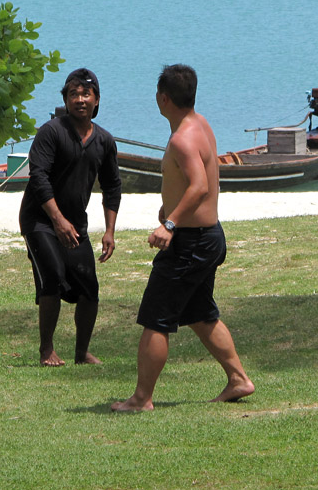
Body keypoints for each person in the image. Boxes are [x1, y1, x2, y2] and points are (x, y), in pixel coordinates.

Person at [111, 64, 254, 412]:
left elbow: (200, 186)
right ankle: (238, 380)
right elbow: (196, 179)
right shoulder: (199, 124)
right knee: (201, 313)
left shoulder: (182, 138)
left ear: (163, 98)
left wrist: (170, 223)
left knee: (155, 318)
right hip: (207, 237)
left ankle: (142, 399)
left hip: (191, 242)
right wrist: (171, 209)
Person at [18, 68, 121, 367]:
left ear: (97, 100)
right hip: (39, 220)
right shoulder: (51, 131)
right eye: (73, 94)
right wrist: (57, 220)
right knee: (52, 275)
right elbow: (38, 177)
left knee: (89, 286)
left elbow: (112, 186)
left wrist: (110, 230)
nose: (80, 99)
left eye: (86, 94)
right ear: (65, 98)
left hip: (75, 223)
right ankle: (46, 349)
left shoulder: (104, 140)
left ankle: (81, 352)